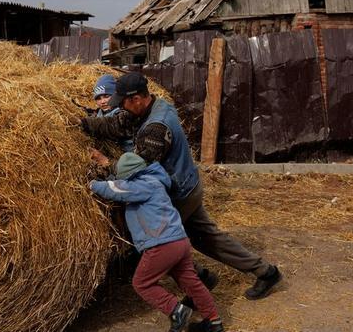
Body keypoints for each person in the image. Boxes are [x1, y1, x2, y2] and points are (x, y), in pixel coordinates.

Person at [81, 72, 282, 301]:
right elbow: (116, 125)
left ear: (137, 99)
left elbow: (135, 169)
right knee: (207, 238)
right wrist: (84, 124)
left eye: (123, 103)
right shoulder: (152, 106)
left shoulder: (156, 127)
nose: (121, 109)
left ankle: (198, 287)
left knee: (157, 246)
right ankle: (266, 272)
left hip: (178, 193)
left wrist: (107, 164)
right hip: (188, 184)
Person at [90, 153, 224, 332]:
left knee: (142, 283)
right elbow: (120, 182)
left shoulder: (143, 185)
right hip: (179, 241)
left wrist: (91, 184)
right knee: (191, 282)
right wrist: (106, 164)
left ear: (132, 176)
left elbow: (116, 189)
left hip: (162, 244)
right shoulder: (153, 180)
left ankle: (176, 310)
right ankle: (214, 321)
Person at [91, 74, 133, 152]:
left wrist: (87, 123)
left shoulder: (123, 112)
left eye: (107, 96)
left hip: (127, 154)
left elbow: (110, 124)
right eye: (98, 98)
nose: (103, 102)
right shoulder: (100, 112)